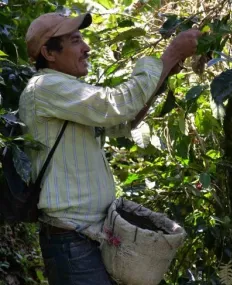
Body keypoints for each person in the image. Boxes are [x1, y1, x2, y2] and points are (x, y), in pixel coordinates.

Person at [19, 12, 200, 285]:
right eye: (76, 40)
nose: (86, 48)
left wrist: (162, 73)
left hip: (90, 236)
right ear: (49, 52)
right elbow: (115, 105)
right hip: (73, 241)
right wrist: (170, 53)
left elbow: (120, 123)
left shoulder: (65, 90)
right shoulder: (45, 87)